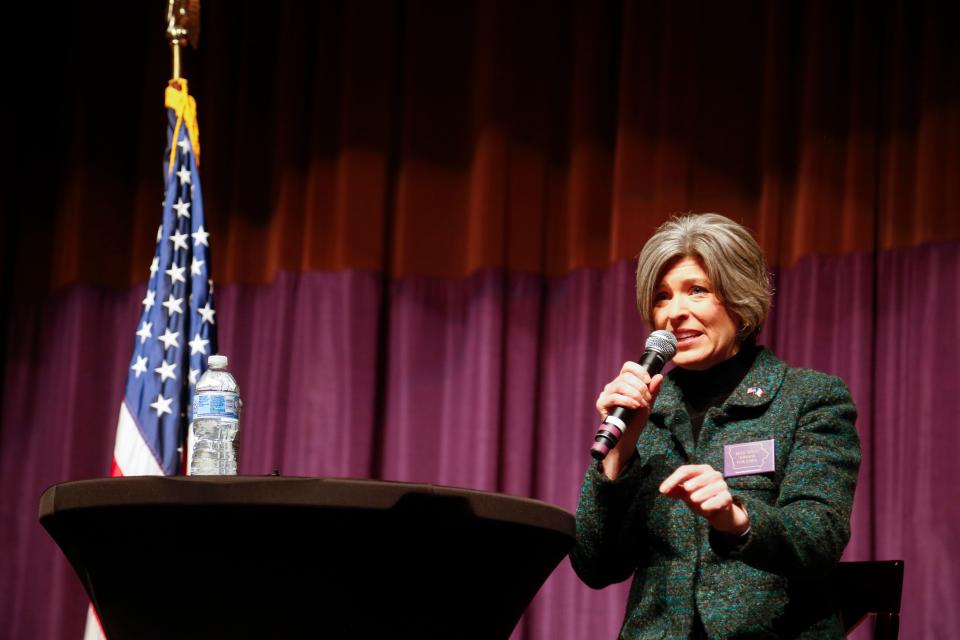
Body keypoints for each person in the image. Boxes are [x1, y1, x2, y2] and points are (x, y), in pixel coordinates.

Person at [570, 213, 861, 639]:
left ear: (741, 299)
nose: (675, 313)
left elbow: (818, 538)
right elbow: (596, 567)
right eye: (662, 297)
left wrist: (736, 518)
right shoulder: (645, 413)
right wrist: (619, 458)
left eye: (697, 291)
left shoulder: (809, 399)